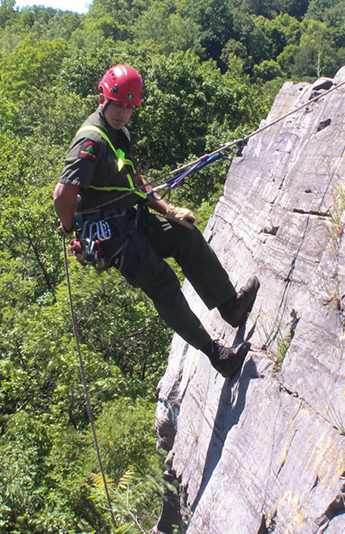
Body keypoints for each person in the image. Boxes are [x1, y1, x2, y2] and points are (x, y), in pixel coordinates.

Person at [53, 64, 259, 378]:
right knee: (163, 284)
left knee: (184, 234)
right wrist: (70, 229)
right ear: (102, 99)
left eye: (129, 107)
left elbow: (132, 177)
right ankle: (218, 356)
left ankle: (230, 305)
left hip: (133, 217)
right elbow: (62, 195)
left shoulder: (118, 134)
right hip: (111, 235)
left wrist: (167, 210)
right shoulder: (91, 142)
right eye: (118, 105)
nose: (123, 113)